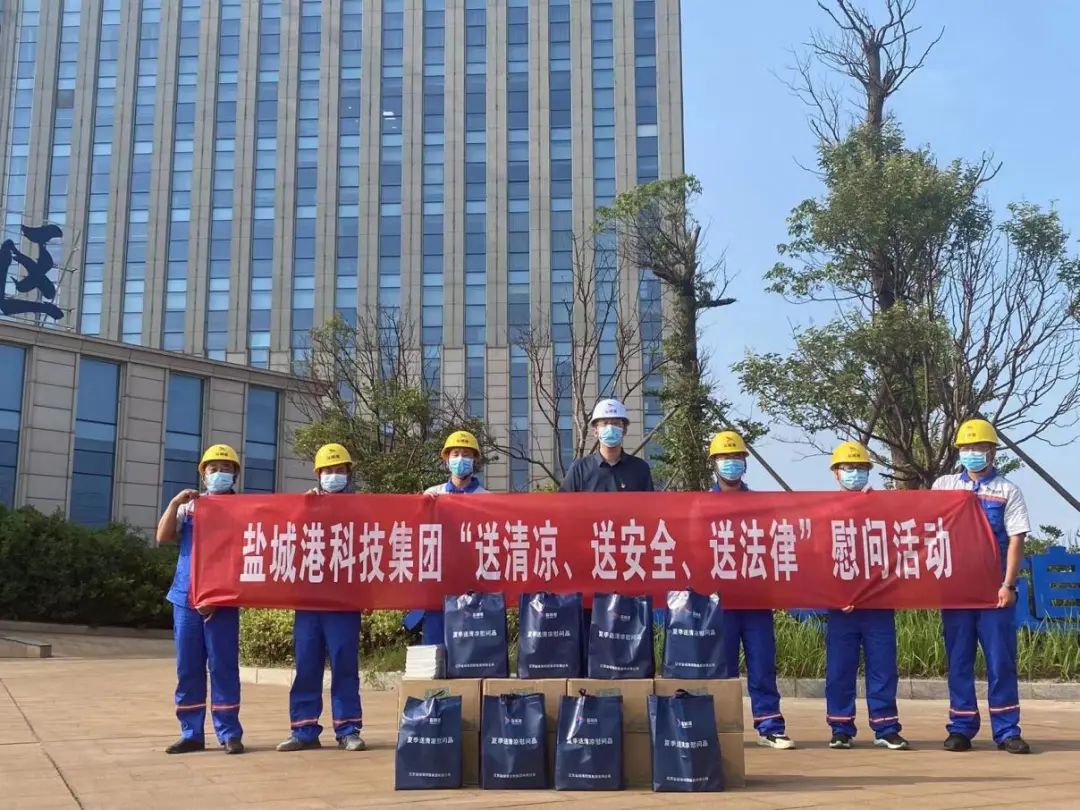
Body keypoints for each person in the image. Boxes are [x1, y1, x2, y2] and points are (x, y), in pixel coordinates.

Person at [933, 419, 1031, 755]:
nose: (972, 453)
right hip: (956, 591)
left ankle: (1007, 730)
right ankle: (961, 728)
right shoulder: (944, 486)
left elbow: (1016, 540)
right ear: (958, 451)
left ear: (992, 451)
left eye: (979, 447)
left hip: (994, 592)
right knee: (959, 659)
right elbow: (920, 522)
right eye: (966, 448)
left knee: (1000, 660)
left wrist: (1008, 585)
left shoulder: (1007, 490)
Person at [277, 443, 366, 753]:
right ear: (317, 474)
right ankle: (303, 730)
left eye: (339, 470)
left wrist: (370, 594)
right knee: (307, 663)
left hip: (344, 601)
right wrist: (303, 508)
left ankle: (348, 729)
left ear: (348, 474)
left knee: (344, 664)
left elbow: (372, 550)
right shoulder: (305, 504)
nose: (333, 476)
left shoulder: (361, 508)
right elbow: (285, 540)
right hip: (309, 599)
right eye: (328, 471)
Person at [156, 443, 244, 755]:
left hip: (224, 600)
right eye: (213, 468)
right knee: (188, 668)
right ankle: (191, 733)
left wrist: (220, 596)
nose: (219, 473)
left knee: (224, 668)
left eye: (226, 468)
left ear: (235, 474)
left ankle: (229, 733)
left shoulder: (245, 509)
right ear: (203, 474)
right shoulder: (189, 507)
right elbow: (163, 536)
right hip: (186, 597)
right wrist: (173, 503)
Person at [710, 430, 794, 750]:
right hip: (720, 602)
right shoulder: (701, 505)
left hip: (757, 598)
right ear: (714, 463)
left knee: (762, 664)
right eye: (725, 458)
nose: (731, 463)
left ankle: (770, 726)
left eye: (736, 457)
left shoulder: (761, 504)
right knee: (722, 669)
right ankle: (724, 729)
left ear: (745, 462)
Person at [824, 441, 909, 751]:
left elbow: (899, 548)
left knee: (883, 666)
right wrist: (834, 595)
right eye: (848, 468)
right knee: (840, 668)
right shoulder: (824, 510)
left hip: (878, 603)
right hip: (841, 607)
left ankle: (886, 727)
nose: (855, 473)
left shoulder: (882, 507)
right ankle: (840, 727)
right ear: (836, 473)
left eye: (861, 468)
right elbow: (816, 559)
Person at [403, 431, 489, 644]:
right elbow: (416, 535)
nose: (461, 459)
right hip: (438, 585)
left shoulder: (487, 499)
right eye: (456, 454)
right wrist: (423, 508)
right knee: (435, 647)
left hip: (473, 586)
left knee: (468, 648)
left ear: (475, 459)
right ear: (446, 459)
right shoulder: (433, 494)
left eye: (466, 454)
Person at [560, 398, 654, 493]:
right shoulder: (579, 469)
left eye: (616, 423)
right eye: (604, 423)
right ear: (595, 431)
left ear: (624, 430)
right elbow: (563, 501)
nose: (610, 428)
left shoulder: (640, 468)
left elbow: (650, 502)